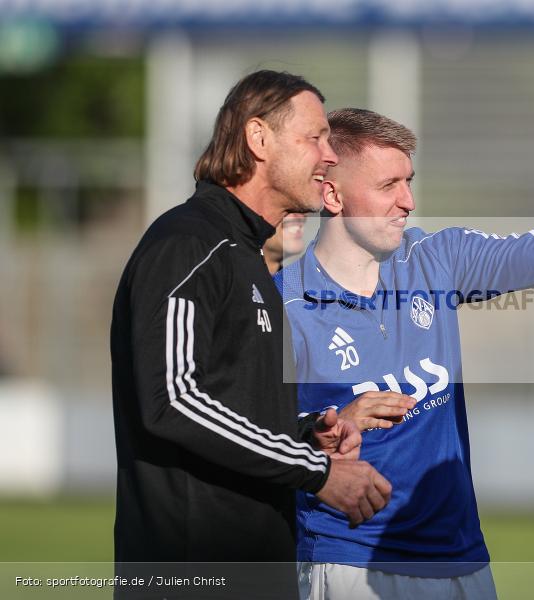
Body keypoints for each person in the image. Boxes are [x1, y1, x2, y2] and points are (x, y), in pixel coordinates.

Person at [275, 107, 534, 599]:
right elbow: (248, 434)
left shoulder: (435, 261)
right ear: (333, 194)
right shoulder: (283, 308)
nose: (407, 201)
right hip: (350, 563)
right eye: (388, 186)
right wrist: (316, 429)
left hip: (460, 559)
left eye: (409, 182)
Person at [110, 71, 391, 599]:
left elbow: (227, 401)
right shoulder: (188, 245)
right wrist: (316, 471)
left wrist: (303, 432)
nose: (329, 156)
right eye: (315, 138)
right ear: (258, 139)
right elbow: (174, 400)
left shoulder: (248, 260)